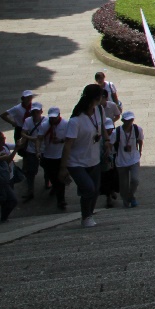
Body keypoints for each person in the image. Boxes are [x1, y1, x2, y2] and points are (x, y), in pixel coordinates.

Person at [61, 84, 107, 227]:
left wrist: (107, 141)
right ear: (96, 98)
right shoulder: (75, 121)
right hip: (77, 162)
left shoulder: (99, 110)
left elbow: (102, 127)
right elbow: (68, 144)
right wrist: (63, 168)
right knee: (88, 189)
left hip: (94, 159)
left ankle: (88, 216)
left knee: (95, 190)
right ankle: (85, 215)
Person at [39, 106, 67, 210]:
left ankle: (61, 199)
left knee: (61, 178)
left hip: (60, 155)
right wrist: (38, 150)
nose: (52, 119)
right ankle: (55, 187)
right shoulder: (44, 125)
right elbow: (39, 138)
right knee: (51, 175)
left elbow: (70, 138)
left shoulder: (65, 124)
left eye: (54, 117)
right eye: (51, 117)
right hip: (48, 155)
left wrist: (60, 140)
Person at [17, 101, 46, 201]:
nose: (35, 114)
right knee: (30, 171)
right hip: (31, 149)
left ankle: (47, 182)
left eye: (37, 112)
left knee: (47, 168)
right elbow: (23, 133)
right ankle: (30, 191)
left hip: (44, 149)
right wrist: (32, 138)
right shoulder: (28, 121)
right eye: (33, 112)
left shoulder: (46, 121)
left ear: (41, 111)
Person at [114, 112, 143, 207]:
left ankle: (130, 196)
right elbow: (110, 143)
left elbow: (140, 140)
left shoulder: (137, 129)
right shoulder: (117, 132)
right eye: (127, 120)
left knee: (135, 180)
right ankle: (126, 201)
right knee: (123, 184)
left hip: (134, 158)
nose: (129, 122)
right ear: (123, 121)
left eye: (131, 120)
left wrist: (139, 151)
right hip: (121, 160)